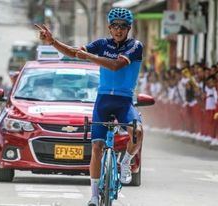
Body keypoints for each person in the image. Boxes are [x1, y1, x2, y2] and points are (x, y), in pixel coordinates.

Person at [35, 7, 143, 206]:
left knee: (138, 131)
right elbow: (74, 53)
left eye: (123, 27)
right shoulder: (102, 44)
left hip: (124, 101)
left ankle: (125, 162)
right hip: (103, 101)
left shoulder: (135, 46)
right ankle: (94, 195)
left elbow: (116, 65)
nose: (119, 30)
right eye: (115, 26)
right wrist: (53, 42)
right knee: (96, 147)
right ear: (109, 28)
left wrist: (90, 57)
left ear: (128, 29)